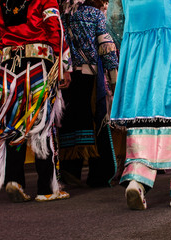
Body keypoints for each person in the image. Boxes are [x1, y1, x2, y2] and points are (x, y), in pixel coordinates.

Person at [107, 0, 171, 209]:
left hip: (137, 47)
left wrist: (128, 41)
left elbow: (114, 18)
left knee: (142, 115)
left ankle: (137, 180)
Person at [0, 0, 72, 203]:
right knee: (41, 125)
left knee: (13, 126)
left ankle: (14, 180)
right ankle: (47, 189)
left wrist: (1, 56)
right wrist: (62, 64)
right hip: (38, 66)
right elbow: (55, 28)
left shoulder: (3, 3)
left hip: (9, 70)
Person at [58, 0, 119, 187]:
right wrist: (114, 79)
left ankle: (70, 171)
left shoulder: (60, 16)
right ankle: (99, 174)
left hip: (65, 77)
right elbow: (107, 47)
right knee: (96, 122)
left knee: (68, 122)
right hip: (90, 76)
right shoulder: (95, 14)